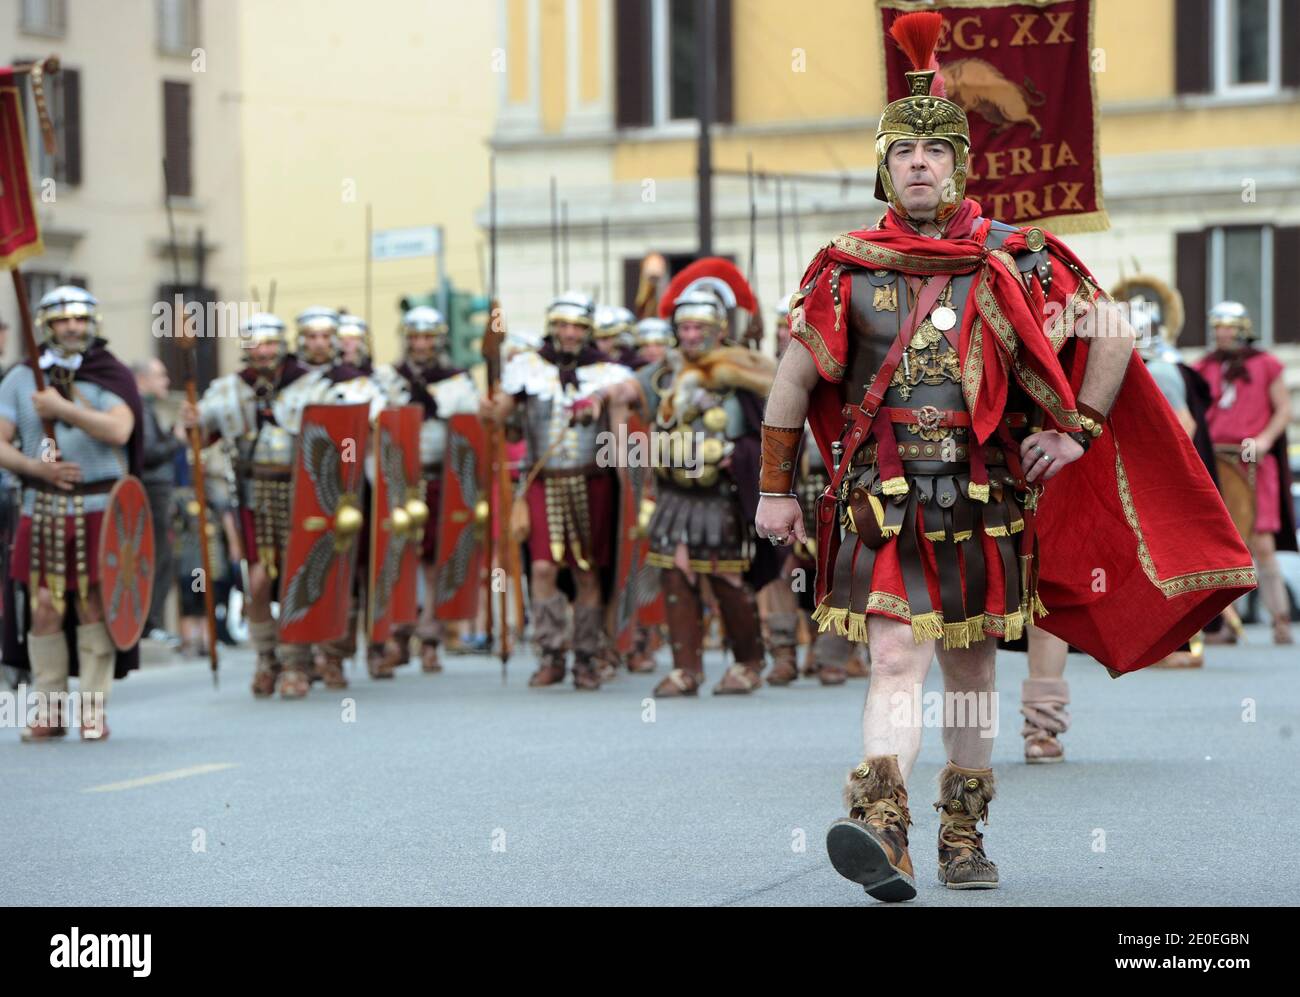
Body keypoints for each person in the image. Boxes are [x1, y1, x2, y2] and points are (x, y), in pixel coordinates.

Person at [754, 11, 1253, 901]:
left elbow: (1112, 330)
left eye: (934, 153)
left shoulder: (1015, 258)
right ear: (884, 164)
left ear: (957, 164)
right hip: (881, 494)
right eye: (903, 152)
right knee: (894, 658)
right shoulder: (846, 268)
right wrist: (774, 493)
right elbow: (792, 385)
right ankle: (883, 820)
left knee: (974, 669)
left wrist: (1078, 429)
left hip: (983, 494)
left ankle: (960, 829)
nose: (918, 164)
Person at [0, 287, 144, 740]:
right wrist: (32, 466)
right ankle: (49, 708)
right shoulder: (22, 378)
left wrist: (62, 409)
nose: (73, 327)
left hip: (101, 504)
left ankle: (93, 709)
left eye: (80, 320)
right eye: (63, 320)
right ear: (46, 326)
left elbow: (121, 429)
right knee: (44, 607)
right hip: (41, 504)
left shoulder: (108, 374)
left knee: (92, 604)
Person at [634, 263, 779, 696]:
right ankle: (686, 669)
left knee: (724, 575)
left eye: (699, 328)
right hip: (674, 489)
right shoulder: (666, 373)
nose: (691, 336)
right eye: (685, 328)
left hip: (721, 491)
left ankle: (749, 662)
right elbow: (634, 397)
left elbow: (767, 428)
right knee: (675, 573)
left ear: (718, 330)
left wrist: (741, 459)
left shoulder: (744, 371)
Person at [480, 291, 635, 690]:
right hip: (543, 480)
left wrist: (600, 397)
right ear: (553, 327)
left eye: (578, 327)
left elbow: (632, 392)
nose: (569, 333)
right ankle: (550, 653)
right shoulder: (527, 367)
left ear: (588, 331)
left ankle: (586, 656)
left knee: (586, 570)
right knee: (544, 567)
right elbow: (502, 414)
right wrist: (490, 407)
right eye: (563, 326)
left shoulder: (606, 371)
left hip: (591, 480)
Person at [371, 306, 481, 676]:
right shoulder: (386, 379)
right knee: (397, 558)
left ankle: (431, 638)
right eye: (415, 337)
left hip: (440, 478)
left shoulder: (457, 381)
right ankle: (398, 636)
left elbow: (472, 424)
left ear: (438, 340)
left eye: (427, 337)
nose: (420, 344)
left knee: (436, 560)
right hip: (398, 479)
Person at [1193, 301, 1295, 645]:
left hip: (1252, 459)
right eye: (1218, 326)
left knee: (1261, 543)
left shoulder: (1267, 364)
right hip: (1214, 460)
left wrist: (1264, 440)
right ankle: (1223, 625)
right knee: (1214, 545)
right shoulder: (1203, 367)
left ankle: (1280, 620)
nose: (1222, 333)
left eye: (1229, 326)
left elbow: (1283, 409)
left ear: (1242, 328)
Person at [133, 358, 183, 649]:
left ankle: (152, 623)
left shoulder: (145, 407)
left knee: (161, 557)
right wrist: (177, 440)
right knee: (158, 557)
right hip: (152, 490)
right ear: (143, 379)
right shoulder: (140, 406)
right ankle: (150, 624)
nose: (166, 381)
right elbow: (149, 453)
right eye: (160, 375)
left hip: (156, 489)